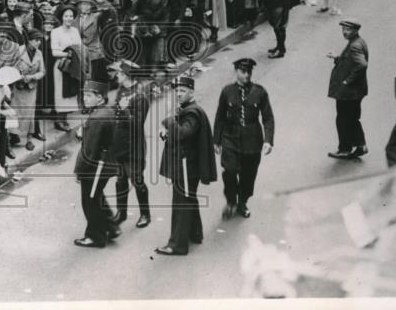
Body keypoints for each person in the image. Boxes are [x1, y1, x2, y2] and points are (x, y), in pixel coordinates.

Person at [154, 75, 216, 257]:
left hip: (186, 167)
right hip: (187, 165)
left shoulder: (192, 112)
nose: (179, 94)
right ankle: (195, 233)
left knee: (181, 203)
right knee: (189, 199)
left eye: (182, 91)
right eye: (177, 91)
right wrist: (166, 133)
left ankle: (177, 245)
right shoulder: (188, 109)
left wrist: (168, 120)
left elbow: (182, 134)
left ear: (191, 92)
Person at [213, 58, 274, 220]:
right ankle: (231, 201)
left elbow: (268, 117)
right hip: (230, 137)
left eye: (249, 72)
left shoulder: (259, 92)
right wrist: (216, 140)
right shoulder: (227, 91)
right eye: (243, 72)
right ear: (236, 72)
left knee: (248, 174)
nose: (246, 75)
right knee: (230, 171)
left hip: (252, 139)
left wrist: (268, 140)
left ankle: (242, 203)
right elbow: (220, 116)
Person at [72, 80, 119, 248]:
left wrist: (79, 171)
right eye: (84, 94)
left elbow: (89, 152)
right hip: (106, 163)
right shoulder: (106, 111)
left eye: (89, 95)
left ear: (99, 98)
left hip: (95, 167)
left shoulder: (97, 118)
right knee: (97, 196)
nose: (85, 98)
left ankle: (95, 236)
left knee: (90, 202)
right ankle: (111, 227)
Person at [106, 59, 151, 229]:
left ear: (126, 75)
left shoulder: (140, 96)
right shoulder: (122, 91)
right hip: (119, 143)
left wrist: (124, 110)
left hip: (133, 146)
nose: (116, 76)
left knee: (137, 181)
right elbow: (115, 112)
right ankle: (121, 212)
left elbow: (137, 124)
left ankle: (145, 214)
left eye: (118, 73)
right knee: (120, 180)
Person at [327, 20, 369, 159]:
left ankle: (345, 149)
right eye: (343, 29)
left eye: (348, 29)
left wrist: (347, 81)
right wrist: (337, 58)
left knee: (343, 119)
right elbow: (350, 61)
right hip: (355, 91)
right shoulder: (358, 42)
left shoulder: (354, 45)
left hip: (349, 92)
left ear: (355, 31)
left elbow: (362, 65)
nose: (345, 32)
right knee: (352, 118)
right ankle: (360, 145)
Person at [15, 28, 46, 150]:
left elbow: (42, 71)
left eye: (39, 40)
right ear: (29, 40)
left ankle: (29, 139)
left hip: (32, 88)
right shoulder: (19, 51)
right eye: (36, 40)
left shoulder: (39, 53)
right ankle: (13, 137)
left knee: (30, 114)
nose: (38, 43)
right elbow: (12, 67)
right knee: (16, 113)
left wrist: (32, 77)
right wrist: (21, 77)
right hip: (18, 88)